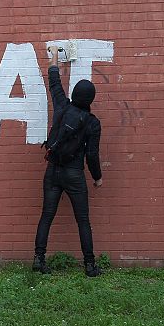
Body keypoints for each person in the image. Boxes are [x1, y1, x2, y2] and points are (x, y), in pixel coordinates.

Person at [33, 46, 103, 277]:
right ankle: (90, 265)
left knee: (47, 215)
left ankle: (39, 259)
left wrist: (53, 55)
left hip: (52, 170)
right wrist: (97, 177)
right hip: (74, 174)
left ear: (74, 93)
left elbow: (54, 81)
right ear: (91, 99)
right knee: (82, 220)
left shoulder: (62, 107)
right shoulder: (92, 123)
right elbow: (92, 154)